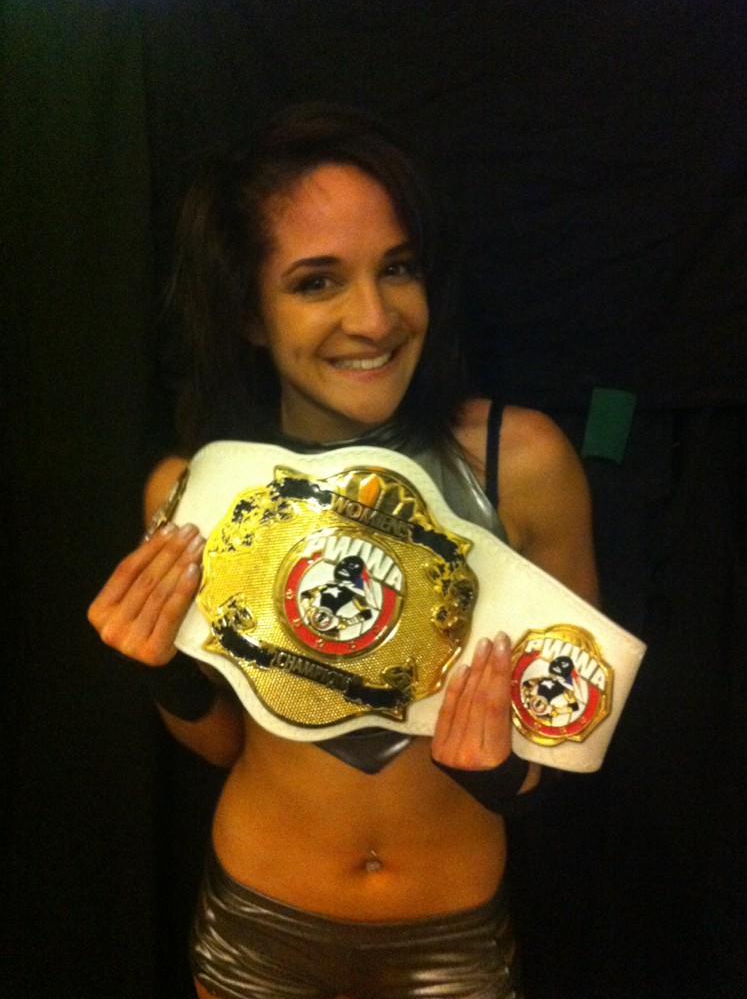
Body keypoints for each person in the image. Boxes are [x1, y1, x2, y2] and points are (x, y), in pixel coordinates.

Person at [88, 103, 598, 999]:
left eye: (397, 268)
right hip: (256, 931)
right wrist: (162, 669)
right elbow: (222, 745)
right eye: (317, 282)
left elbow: (567, 737)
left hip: (451, 943)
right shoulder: (195, 493)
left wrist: (499, 777)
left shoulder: (520, 464)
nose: (373, 317)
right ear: (248, 313)